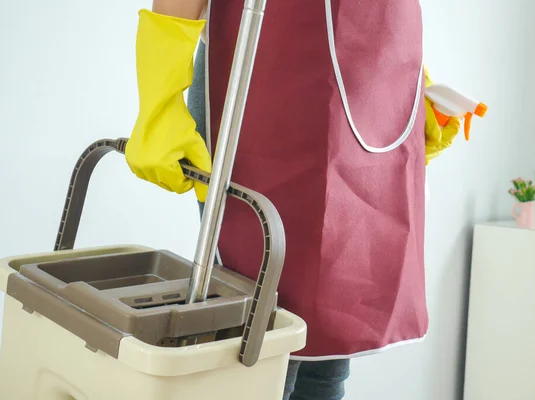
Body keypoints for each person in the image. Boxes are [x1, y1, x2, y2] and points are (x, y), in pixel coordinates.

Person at [125, 1, 461, 399]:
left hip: (369, 84)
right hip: (263, 73)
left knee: (332, 334)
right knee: (260, 332)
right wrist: (159, 96)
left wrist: (406, 78)